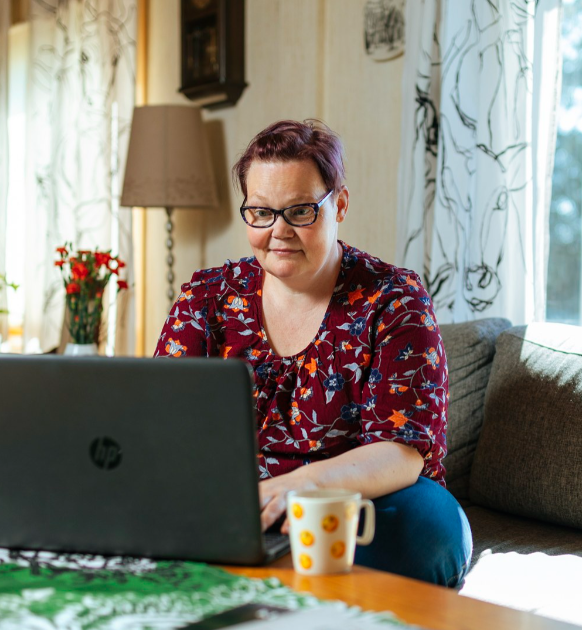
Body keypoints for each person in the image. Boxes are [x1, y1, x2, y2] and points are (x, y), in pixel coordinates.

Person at [154, 119, 471, 587]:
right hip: (233, 501)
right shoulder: (207, 297)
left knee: (427, 528)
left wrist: (298, 487)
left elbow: (403, 453)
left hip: (361, 502)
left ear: (339, 204)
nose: (278, 231)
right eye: (260, 212)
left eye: (300, 211)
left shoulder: (395, 299)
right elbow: (159, 420)